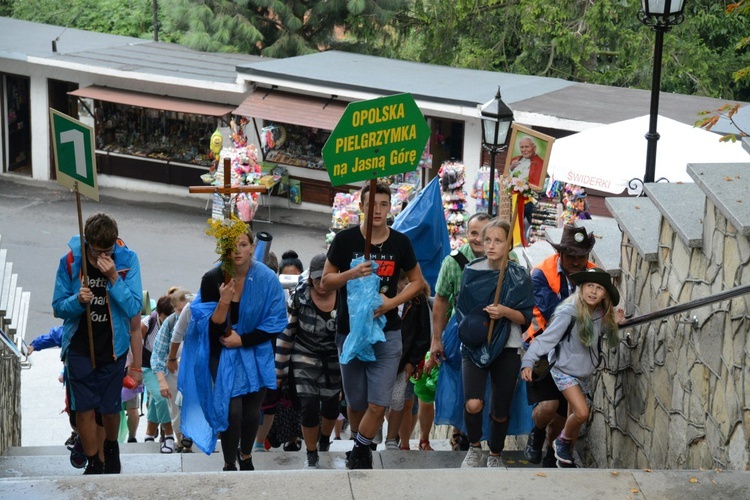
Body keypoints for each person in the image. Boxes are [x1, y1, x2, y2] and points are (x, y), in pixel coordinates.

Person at [322, 181, 426, 470]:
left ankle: (358, 451)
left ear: (389, 207)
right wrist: (352, 273)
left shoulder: (400, 243)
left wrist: (391, 303)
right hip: (350, 332)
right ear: (361, 207)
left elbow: (418, 282)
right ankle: (362, 447)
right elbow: (326, 281)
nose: (377, 210)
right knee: (356, 403)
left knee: (379, 403)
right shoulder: (344, 240)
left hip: (387, 333)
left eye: (383, 204)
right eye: (371, 204)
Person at [179, 222, 287, 471]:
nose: (237, 250)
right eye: (231, 246)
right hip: (222, 351)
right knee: (232, 412)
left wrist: (244, 339)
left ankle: (246, 455)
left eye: (243, 244)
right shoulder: (213, 278)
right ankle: (229, 462)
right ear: (223, 250)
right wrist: (223, 304)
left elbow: (276, 320)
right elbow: (209, 328)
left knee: (251, 413)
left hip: (256, 349)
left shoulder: (266, 278)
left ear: (252, 248)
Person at [52, 212, 143, 475]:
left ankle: (111, 446)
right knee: (84, 407)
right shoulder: (71, 262)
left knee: (109, 408)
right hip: (79, 346)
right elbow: (58, 307)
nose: (103, 256)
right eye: (97, 251)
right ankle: (94, 461)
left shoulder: (127, 260)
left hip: (113, 347)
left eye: (109, 250)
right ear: (87, 243)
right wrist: (77, 302)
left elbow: (134, 307)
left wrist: (114, 277)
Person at [521, 268, 621, 467]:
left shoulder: (600, 314)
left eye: (599, 288)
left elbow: (601, 332)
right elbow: (545, 340)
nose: (593, 291)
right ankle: (561, 441)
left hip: (583, 374)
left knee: (574, 418)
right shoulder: (569, 312)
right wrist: (528, 362)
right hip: (564, 370)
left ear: (605, 295)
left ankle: (564, 462)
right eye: (589, 286)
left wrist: (615, 324)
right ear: (581, 288)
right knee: (582, 413)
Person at [457, 219, 535, 468]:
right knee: (474, 402)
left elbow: (525, 317)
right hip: (474, 345)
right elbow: (462, 311)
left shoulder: (518, 276)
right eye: (486, 239)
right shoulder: (471, 271)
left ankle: (496, 454)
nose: (490, 245)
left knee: (500, 408)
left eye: (497, 241)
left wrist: (503, 311)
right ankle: (474, 447)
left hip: (508, 347)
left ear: (508, 245)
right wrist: (474, 327)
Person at [522, 224, 596, 467]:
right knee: (548, 405)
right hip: (544, 349)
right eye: (571, 256)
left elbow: (603, 310)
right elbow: (552, 312)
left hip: (573, 355)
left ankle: (551, 458)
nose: (576, 262)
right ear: (560, 254)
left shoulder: (594, 276)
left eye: (581, 257)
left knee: (565, 415)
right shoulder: (541, 273)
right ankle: (537, 432)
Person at [428, 211, 491, 450]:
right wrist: (437, 339)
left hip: (495, 329)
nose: (479, 239)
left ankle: (482, 434)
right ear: (467, 233)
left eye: (485, 234)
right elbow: (441, 301)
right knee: (459, 382)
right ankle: (461, 432)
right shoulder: (452, 262)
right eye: (474, 233)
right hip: (461, 330)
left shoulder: (508, 257)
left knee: (489, 384)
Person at [275, 253, 340, 469]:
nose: (321, 285)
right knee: (309, 404)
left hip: (334, 356)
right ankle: (311, 453)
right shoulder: (300, 296)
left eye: (326, 279)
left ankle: (324, 440)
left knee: (331, 407)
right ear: (310, 278)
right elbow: (288, 332)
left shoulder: (344, 295)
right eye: (316, 279)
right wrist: (280, 371)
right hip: (304, 353)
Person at [385, 269, 431, 451]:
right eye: (405, 283)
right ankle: (388, 436)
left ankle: (402, 442)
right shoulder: (384, 298)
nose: (408, 286)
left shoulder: (418, 302)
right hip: (385, 360)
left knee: (405, 402)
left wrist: (413, 362)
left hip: (407, 362)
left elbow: (423, 335)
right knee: (387, 402)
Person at [153, 288, 193, 452]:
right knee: (175, 410)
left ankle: (190, 440)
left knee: (193, 407)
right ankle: (181, 442)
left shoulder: (199, 319)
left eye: (186, 310)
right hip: (173, 372)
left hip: (193, 373)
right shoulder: (170, 323)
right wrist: (162, 381)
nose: (183, 314)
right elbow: (157, 354)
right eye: (179, 311)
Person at [140, 294, 176, 452]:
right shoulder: (147, 323)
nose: (170, 320)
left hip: (167, 367)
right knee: (162, 397)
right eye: (166, 317)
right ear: (159, 313)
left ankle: (149, 434)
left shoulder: (177, 322)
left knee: (156, 400)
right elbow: (134, 347)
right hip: (147, 366)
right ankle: (169, 436)